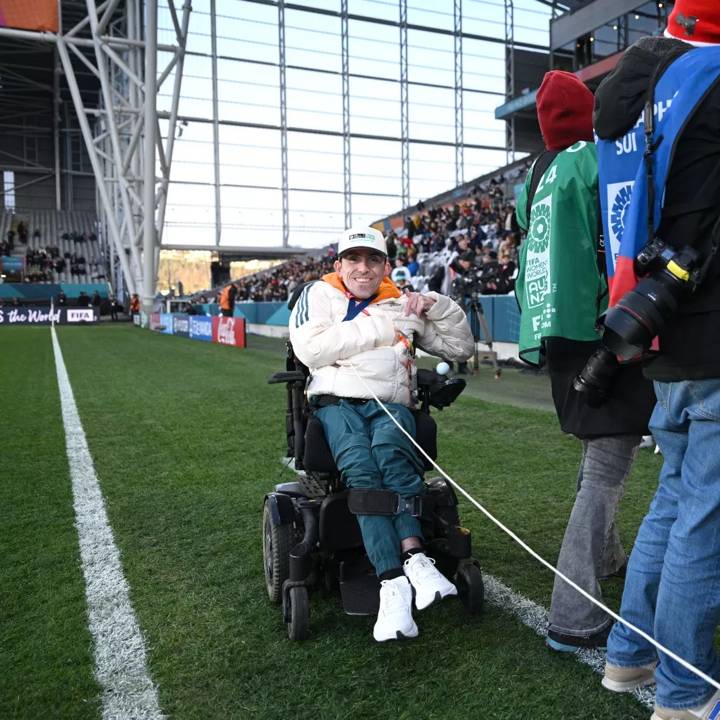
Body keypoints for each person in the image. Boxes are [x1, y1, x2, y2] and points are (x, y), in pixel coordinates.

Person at [592, 4, 720, 717]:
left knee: (675, 503)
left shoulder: (638, 84)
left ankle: (630, 656)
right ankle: (686, 690)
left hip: (658, 327)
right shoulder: (712, 80)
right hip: (707, 328)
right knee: (704, 520)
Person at [514, 71, 655, 653]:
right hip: (604, 328)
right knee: (606, 466)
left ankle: (609, 555)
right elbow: (622, 234)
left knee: (600, 451)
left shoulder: (534, 175)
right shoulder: (596, 160)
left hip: (555, 334)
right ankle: (574, 613)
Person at [289, 227, 473, 643]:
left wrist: (435, 305)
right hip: (337, 401)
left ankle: (415, 559)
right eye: (353, 259)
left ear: (385, 266)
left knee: (393, 457)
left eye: (372, 260)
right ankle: (392, 581)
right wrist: (383, 328)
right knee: (361, 467)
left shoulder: (401, 301)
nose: (363, 267)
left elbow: (460, 349)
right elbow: (311, 350)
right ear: (339, 265)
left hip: (391, 401)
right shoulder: (318, 295)